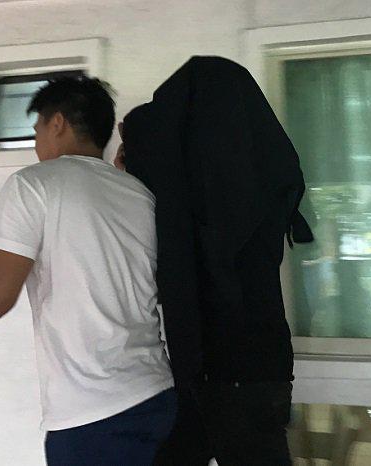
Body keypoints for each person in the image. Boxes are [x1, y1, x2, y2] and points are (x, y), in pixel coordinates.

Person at [0, 76, 177, 466]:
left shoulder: (33, 185)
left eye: (37, 130)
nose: (37, 143)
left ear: (57, 123)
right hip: (158, 397)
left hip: (94, 414)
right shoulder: (138, 192)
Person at [116, 56, 314, 466]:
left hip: (215, 367)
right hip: (252, 364)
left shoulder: (199, 204)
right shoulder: (257, 182)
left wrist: (131, 162)